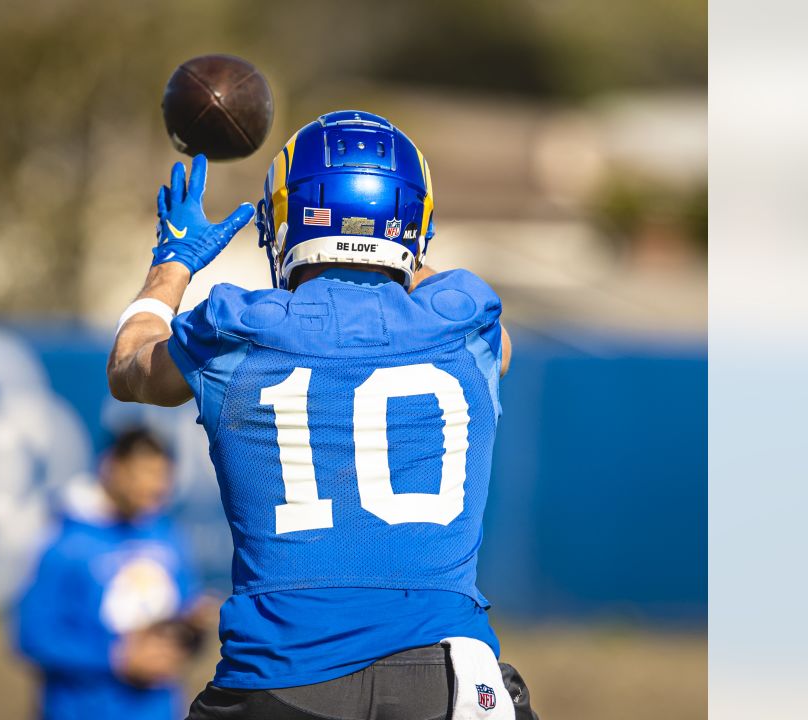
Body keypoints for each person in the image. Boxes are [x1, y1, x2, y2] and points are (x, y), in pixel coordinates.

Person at [107, 111, 540, 719]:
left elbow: (129, 368)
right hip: (448, 679)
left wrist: (170, 266)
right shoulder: (468, 325)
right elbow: (469, 319)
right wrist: (393, 238)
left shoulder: (238, 328)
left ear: (286, 220)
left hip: (284, 674)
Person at [15, 428, 214, 720]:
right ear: (112, 467)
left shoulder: (168, 537)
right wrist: (115, 658)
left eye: (162, 475)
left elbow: (178, 621)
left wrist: (194, 626)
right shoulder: (65, 543)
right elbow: (31, 635)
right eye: (144, 472)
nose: (155, 486)